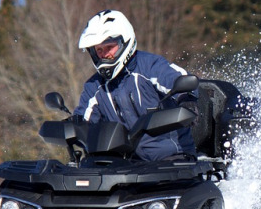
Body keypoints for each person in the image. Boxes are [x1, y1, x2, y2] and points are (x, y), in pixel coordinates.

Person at [73, 9, 196, 161]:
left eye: (109, 47)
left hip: (172, 159)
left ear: (125, 41)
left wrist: (187, 99)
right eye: (99, 50)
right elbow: (83, 120)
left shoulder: (150, 66)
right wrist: (72, 127)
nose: (104, 54)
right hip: (126, 165)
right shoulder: (95, 86)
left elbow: (178, 79)